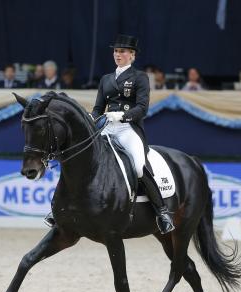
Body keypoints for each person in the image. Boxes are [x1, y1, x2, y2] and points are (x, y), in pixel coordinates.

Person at [44, 34, 174, 234]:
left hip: (128, 129)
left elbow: (142, 108)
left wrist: (122, 116)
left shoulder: (139, 78)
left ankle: (162, 212)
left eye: (122, 51)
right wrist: (92, 118)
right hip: (106, 127)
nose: (118, 54)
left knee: (139, 166)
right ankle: (58, 208)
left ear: (132, 55)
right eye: (115, 51)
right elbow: (98, 108)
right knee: (77, 159)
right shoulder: (106, 79)